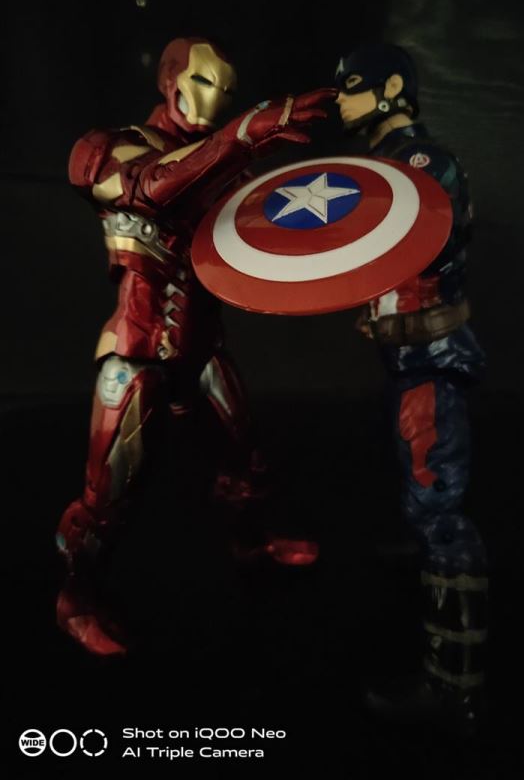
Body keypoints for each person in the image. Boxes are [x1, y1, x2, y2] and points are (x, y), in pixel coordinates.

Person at [57, 36, 333, 656]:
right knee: (106, 499)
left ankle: (250, 546)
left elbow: (263, 241)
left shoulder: (226, 172)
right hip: (136, 352)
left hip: (203, 348)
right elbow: (154, 187)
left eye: (227, 91)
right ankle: (76, 599)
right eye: (205, 82)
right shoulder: (108, 148)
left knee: (248, 463)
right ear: (170, 81)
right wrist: (244, 137)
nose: (217, 99)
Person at [335, 44, 488, 734]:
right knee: (420, 487)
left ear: (393, 87)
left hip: (431, 358)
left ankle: (453, 683)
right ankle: (422, 559)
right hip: (409, 359)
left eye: (353, 85)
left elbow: (427, 244)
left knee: (440, 513)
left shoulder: (421, 164)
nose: (341, 99)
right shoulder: (386, 166)